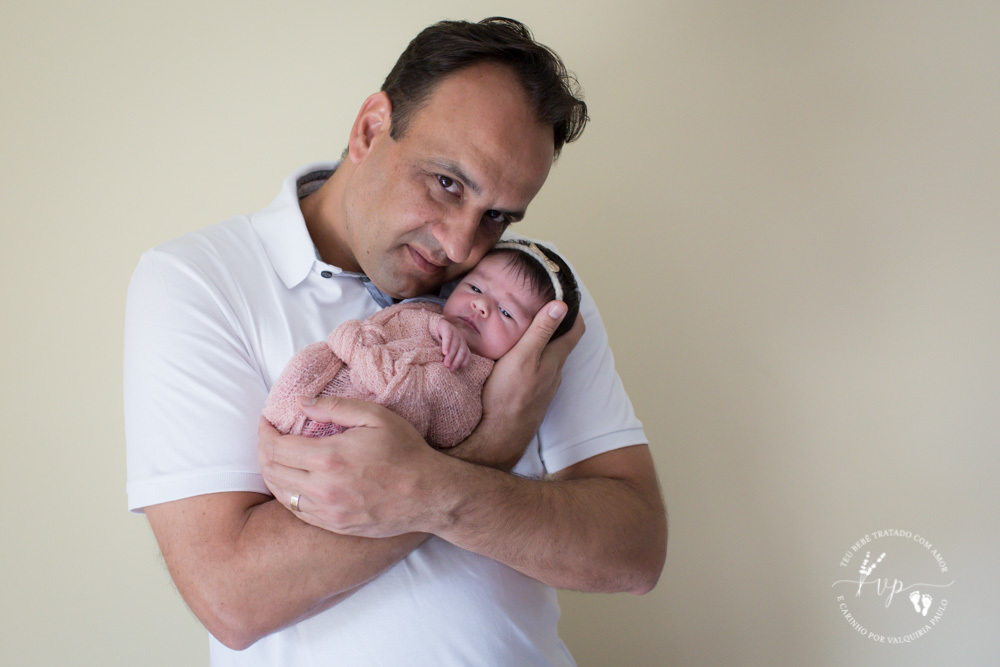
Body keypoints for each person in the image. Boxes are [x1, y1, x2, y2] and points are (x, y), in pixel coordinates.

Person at [125, 17, 666, 665]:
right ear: (370, 128)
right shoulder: (199, 280)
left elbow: (634, 551)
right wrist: (487, 446)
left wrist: (435, 485)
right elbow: (235, 598)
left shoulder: (529, 298)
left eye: (497, 215)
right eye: (448, 183)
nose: (463, 246)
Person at [263, 241, 581, 449]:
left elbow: (452, 429)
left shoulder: (480, 376)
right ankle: (283, 415)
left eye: (507, 312)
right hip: (333, 377)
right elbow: (368, 330)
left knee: (368, 453)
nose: (481, 305)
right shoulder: (423, 311)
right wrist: (432, 323)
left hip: (359, 432)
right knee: (310, 361)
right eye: (474, 287)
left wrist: (425, 382)